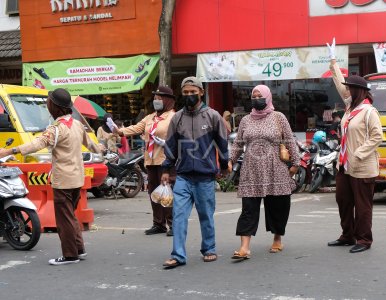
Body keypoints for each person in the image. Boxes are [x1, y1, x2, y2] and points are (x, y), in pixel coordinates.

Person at [0, 88, 102, 265]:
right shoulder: (77, 124)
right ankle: (79, 248)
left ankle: (70, 255)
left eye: (48, 102)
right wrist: (104, 150)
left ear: (56, 107)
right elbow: (92, 145)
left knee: (64, 220)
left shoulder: (56, 129)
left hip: (63, 180)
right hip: (77, 178)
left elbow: (37, 144)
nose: (47, 106)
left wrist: (8, 151)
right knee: (71, 215)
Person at [161, 76, 230, 268]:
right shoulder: (177, 118)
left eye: (193, 92)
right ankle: (178, 255)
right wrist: (166, 169)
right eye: (186, 92)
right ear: (182, 94)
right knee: (179, 215)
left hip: (205, 176)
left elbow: (222, 144)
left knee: (206, 215)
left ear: (201, 92)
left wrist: (224, 166)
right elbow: (170, 146)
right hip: (183, 176)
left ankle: (209, 248)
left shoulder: (213, 116)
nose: (190, 95)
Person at [229, 84, 300, 260]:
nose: (256, 99)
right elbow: (238, 143)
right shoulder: (245, 120)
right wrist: (230, 159)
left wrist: (296, 163)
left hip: (275, 168)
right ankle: (244, 247)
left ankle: (277, 238)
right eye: (254, 96)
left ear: (268, 97)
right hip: (251, 170)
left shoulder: (279, 117)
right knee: (248, 208)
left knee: (278, 206)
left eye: (260, 96)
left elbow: (290, 140)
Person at [327, 38, 383, 253]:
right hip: (345, 165)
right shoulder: (351, 107)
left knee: (362, 206)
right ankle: (347, 235)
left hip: (361, 166)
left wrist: (358, 154)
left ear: (359, 91)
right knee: (343, 200)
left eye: (351, 88)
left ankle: (363, 240)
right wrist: (333, 61)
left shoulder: (369, 111)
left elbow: (377, 136)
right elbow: (338, 82)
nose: (347, 91)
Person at [113, 86, 176, 236]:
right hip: (151, 160)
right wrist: (120, 131)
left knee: (166, 193)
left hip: (165, 160)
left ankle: (173, 224)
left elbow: (179, 137)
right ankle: (158, 224)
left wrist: (167, 142)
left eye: (159, 98)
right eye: (155, 98)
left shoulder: (174, 117)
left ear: (167, 100)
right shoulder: (150, 118)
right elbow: (136, 128)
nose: (156, 101)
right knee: (154, 193)